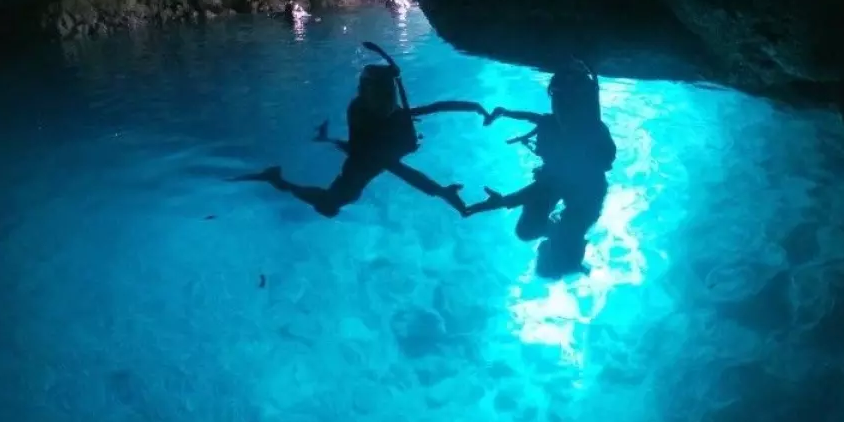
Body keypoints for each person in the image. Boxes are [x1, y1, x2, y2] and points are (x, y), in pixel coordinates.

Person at [251, 42, 488, 218]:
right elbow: (396, 168)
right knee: (331, 204)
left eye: (386, 96)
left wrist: (473, 106)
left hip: (370, 152)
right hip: (364, 160)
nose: (385, 102)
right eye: (378, 96)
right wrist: (440, 192)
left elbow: (433, 107)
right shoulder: (360, 112)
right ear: (367, 94)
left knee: (339, 197)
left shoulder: (390, 112)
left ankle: (288, 172)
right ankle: (278, 180)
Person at [466, 60, 616, 278]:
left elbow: (545, 187)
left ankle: (567, 258)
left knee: (528, 231)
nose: (559, 108)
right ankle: (567, 257)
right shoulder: (566, 125)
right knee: (529, 230)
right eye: (556, 101)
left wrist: (505, 201)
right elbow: (543, 119)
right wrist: (506, 112)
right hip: (576, 193)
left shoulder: (588, 140)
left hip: (581, 189)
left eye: (564, 102)